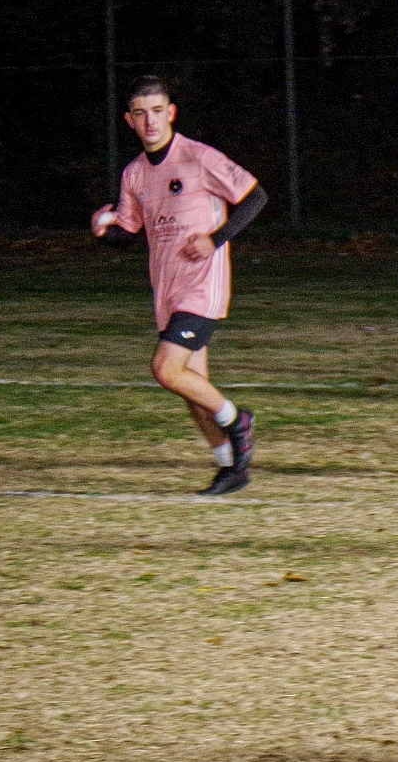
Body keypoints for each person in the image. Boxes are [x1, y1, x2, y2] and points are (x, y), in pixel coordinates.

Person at [90, 76, 267, 496]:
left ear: (171, 113)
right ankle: (231, 468)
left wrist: (215, 239)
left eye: (157, 111)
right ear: (129, 121)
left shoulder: (198, 157)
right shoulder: (135, 173)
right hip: (167, 289)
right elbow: (128, 230)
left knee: (165, 369)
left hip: (202, 285)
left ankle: (237, 419)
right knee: (192, 389)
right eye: (140, 114)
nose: (149, 121)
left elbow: (255, 197)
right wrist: (104, 229)